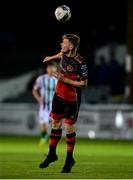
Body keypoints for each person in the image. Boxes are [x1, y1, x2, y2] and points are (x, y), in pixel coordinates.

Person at [39, 34, 88, 173]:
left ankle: (69, 159)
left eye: (64, 43)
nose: (61, 44)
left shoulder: (81, 62)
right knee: (55, 123)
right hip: (58, 96)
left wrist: (64, 79)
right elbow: (61, 54)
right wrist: (51, 57)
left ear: (71, 46)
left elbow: (84, 84)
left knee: (68, 129)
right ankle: (52, 154)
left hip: (72, 99)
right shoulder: (64, 54)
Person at [32, 62, 57, 146]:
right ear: (47, 69)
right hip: (44, 106)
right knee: (44, 124)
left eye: (52, 68)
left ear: (55, 69)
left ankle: (48, 138)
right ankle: (44, 137)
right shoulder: (41, 78)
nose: (50, 69)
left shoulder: (57, 80)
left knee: (53, 124)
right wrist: (38, 99)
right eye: (49, 68)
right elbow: (34, 90)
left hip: (53, 106)